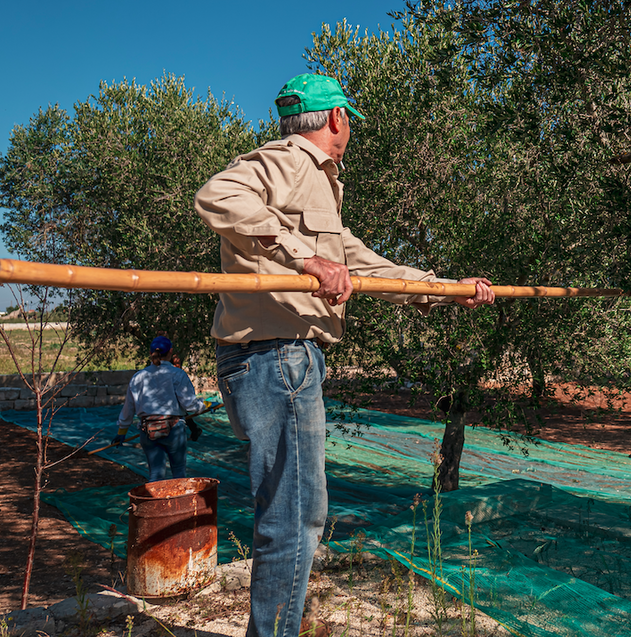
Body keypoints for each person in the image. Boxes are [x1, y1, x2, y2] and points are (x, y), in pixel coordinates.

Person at [194, 72, 495, 637]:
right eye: (349, 119)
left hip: (278, 359)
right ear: (337, 118)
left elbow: (360, 262)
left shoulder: (319, 185)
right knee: (295, 516)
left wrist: (445, 288)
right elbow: (216, 196)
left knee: (295, 513)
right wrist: (306, 260)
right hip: (277, 356)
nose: (350, 129)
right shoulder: (288, 161)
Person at [113, 335, 209, 482]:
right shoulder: (177, 374)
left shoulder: (138, 377)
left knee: (156, 475)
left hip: (147, 430)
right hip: (174, 429)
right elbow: (190, 405)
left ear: (150, 353)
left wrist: (122, 431)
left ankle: (156, 498)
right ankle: (178, 498)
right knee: (178, 473)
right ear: (171, 352)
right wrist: (206, 405)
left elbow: (128, 408)